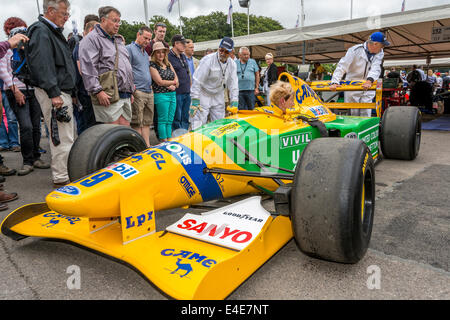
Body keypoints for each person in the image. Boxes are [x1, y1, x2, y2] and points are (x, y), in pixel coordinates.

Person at [27, 0, 77, 188]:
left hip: (61, 90)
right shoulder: (41, 30)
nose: (67, 17)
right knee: (61, 137)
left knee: (67, 136)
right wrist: (53, 92)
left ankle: (66, 174)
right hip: (54, 93)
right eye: (64, 13)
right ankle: (62, 179)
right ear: (50, 11)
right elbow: (43, 64)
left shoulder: (51, 31)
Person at [1, 19, 50, 176]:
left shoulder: (29, 50)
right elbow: (3, 72)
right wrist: (15, 90)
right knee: (26, 126)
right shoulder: (7, 50)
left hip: (32, 90)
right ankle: (27, 161)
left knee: (36, 126)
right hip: (15, 91)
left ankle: (36, 157)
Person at [79, 6, 135, 126]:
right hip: (108, 93)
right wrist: (98, 91)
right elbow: (88, 68)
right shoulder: (92, 39)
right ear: (103, 20)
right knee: (112, 133)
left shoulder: (117, 40)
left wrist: (130, 90)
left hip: (124, 93)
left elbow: (126, 66)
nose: (118, 24)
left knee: (125, 131)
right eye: (114, 20)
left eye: (119, 21)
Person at [329, 31, 388, 117]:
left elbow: (376, 67)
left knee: (366, 112)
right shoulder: (354, 50)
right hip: (353, 85)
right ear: (375, 44)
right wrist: (334, 82)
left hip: (368, 85)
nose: (383, 47)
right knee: (353, 114)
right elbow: (342, 66)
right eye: (382, 45)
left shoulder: (380, 52)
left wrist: (369, 80)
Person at [190, 37, 239, 130]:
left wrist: (234, 101)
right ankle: (196, 143)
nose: (223, 53)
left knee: (219, 125)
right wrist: (195, 100)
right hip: (203, 94)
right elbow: (197, 81)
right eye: (221, 50)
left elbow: (233, 84)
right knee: (198, 123)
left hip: (218, 94)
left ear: (231, 52)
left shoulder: (232, 64)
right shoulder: (207, 60)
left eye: (226, 52)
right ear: (218, 48)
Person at [126, 26, 154, 147]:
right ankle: (139, 148)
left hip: (148, 90)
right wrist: (132, 88)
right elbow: (126, 70)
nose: (147, 41)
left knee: (147, 122)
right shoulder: (129, 49)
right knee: (137, 122)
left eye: (149, 39)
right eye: (145, 38)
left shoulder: (145, 52)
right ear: (138, 35)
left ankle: (147, 146)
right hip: (138, 91)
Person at [72, 18, 99, 134]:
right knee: (89, 125)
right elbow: (82, 70)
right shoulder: (81, 46)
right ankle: (86, 151)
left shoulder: (89, 45)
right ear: (92, 30)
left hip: (90, 90)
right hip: (85, 92)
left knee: (94, 123)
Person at [149, 42, 178, 141]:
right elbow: (159, 82)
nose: (161, 54)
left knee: (170, 120)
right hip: (161, 95)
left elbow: (176, 79)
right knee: (162, 120)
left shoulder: (168, 64)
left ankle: (169, 139)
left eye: (162, 52)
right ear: (154, 54)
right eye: (158, 52)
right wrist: (172, 83)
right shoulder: (152, 65)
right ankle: (163, 141)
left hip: (172, 94)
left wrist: (173, 84)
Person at [168, 34, 191, 132]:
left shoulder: (183, 56)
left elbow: (187, 72)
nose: (184, 46)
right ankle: (178, 137)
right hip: (177, 92)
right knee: (177, 117)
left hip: (186, 91)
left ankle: (184, 134)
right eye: (182, 43)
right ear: (176, 44)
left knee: (186, 116)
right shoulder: (168, 56)